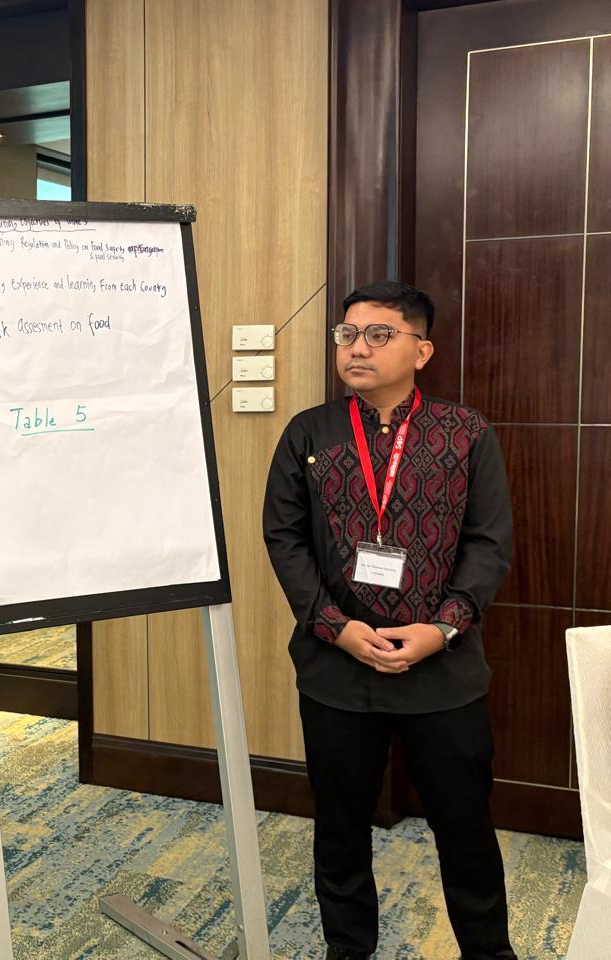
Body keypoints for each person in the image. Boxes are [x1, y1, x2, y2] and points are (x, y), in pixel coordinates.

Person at [262, 282, 515, 960]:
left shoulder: (466, 433)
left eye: (379, 335)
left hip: (444, 671)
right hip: (337, 668)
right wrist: (335, 626)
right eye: (348, 334)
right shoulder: (308, 433)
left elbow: (489, 543)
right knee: (339, 829)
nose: (358, 348)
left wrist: (443, 627)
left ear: (421, 350)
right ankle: (348, 948)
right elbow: (284, 539)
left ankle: (489, 952)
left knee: (465, 829)